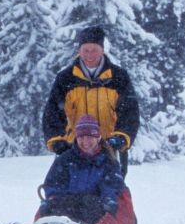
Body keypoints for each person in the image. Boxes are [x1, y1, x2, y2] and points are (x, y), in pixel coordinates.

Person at [38, 114, 137, 224]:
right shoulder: (65, 159)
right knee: (52, 209)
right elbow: (54, 183)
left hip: (95, 204)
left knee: (91, 207)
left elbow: (112, 184)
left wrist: (108, 199)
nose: (85, 142)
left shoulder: (107, 160)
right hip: (69, 203)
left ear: (97, 137)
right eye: (81, 137)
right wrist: (52, 199)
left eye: (90, 137)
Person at [43, 25, 139, 164]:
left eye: (94, 50)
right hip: (72, 150)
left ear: (102, 50)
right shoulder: (65, 78)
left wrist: (122, 137)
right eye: (85, 50)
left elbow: (130, 112)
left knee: (111, 186)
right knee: (71, 185)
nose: (89, 55)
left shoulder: (118, 77)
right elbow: (52, 112)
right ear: (79, 51)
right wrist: (57, 139)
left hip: (109, 149)